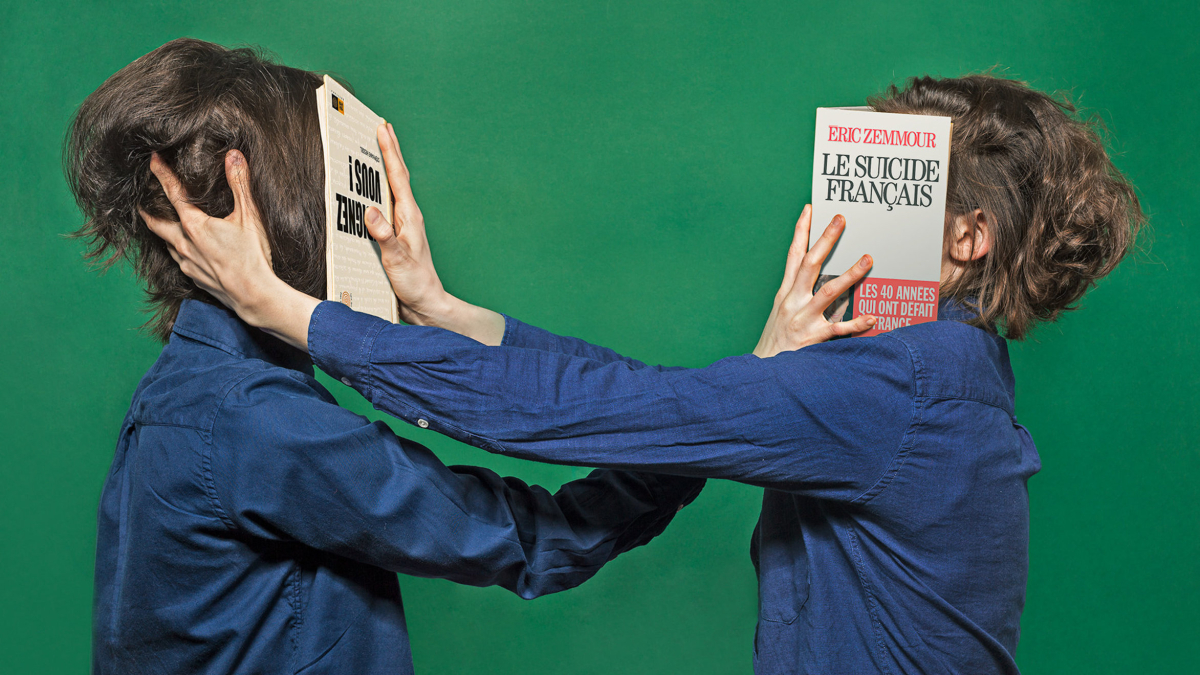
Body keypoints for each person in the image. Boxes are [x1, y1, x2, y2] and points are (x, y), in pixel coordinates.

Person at [150, 69, 1144, 673]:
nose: (848, 202)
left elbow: (613, 410)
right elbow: (651, 404)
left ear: (967, 236)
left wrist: (291, 312)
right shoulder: (918, 374)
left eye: (895, 187)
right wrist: (442, 308)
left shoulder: (900, 386)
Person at [66, 38, 854, 675]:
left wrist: (435, 310)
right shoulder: (254, 420)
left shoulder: (188, 393)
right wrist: (732, 412)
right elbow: (536, 538)